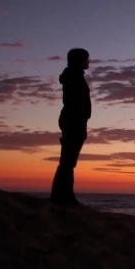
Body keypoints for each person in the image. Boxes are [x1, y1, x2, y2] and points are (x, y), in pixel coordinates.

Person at [50, 48, 91, 206]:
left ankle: (63, 195)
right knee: (68, 160)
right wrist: (80, 119)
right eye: (87, 59)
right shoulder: (74, 77)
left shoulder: (73, 76)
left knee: (68, 160)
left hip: (74, 120)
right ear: (80, 60)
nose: (89, 62)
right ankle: (63, 196)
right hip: (74, 121)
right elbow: (76, 102)